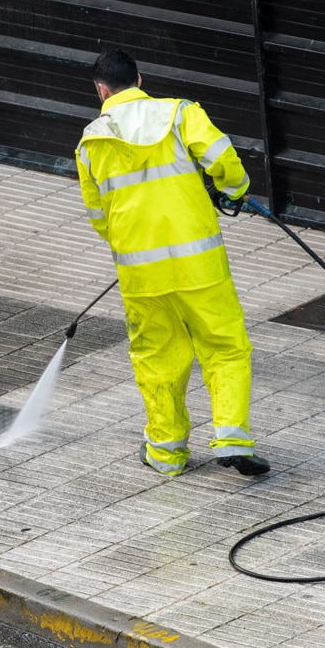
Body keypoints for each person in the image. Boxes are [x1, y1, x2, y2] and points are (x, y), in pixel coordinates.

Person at [75, 49, 269, 477]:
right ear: (140, 80)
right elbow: (223, 158)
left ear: (102, 90)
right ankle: (232, 437)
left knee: (157, 358)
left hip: (142, 274)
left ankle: (165, 454)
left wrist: (134, 245)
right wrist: (233, 191)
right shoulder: (180, 114)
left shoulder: (90, 143)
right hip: (200, 265)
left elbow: (98, 216)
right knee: (225, 347)